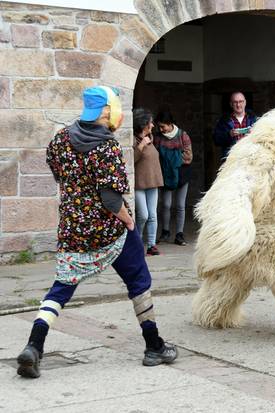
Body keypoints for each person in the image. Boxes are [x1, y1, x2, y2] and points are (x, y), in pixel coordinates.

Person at [15, 86, 177, 379]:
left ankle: (34, 346)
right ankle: (154, 346)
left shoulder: (61, 140)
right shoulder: (107, 146)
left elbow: (57, 172)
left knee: (61, 287)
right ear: (106, 111)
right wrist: (129, 223)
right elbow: (112, 200)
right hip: (109, 229)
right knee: (139, 281)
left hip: (73, 229)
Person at [153, 109, 193, 247]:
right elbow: (155, 155)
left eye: (163, 126)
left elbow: (188, 157)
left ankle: (179, 234)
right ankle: (165, 231)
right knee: (166, 204)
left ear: (170, 124)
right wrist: (175, 156)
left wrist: (168, 158)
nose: (161, 129)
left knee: (180, 205)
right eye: (159, 126)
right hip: (166, 174)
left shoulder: (183, 135)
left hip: (181, 174)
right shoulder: (158, 138)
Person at [132, 108, 163, 256]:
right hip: (139, 183)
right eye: (150, 123)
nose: (152, 126)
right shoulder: (134, 139)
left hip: (153, 181)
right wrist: (141, 145)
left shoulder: (150, 138)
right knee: (143, 215)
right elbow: (132, 160)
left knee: (152, 215)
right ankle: (136, 243)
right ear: (143, 124)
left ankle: (152, 245)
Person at [212, 91, 257, 159]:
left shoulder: (254, 119)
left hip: (250, 157)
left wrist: (254, 133)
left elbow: (263, 137)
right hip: (231, 159)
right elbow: (216, 140)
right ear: (231, 104)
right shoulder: (224, 121)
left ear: (245, 102)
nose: (238, 105)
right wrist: (229, 134)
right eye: (235, 102)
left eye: (240, 101)